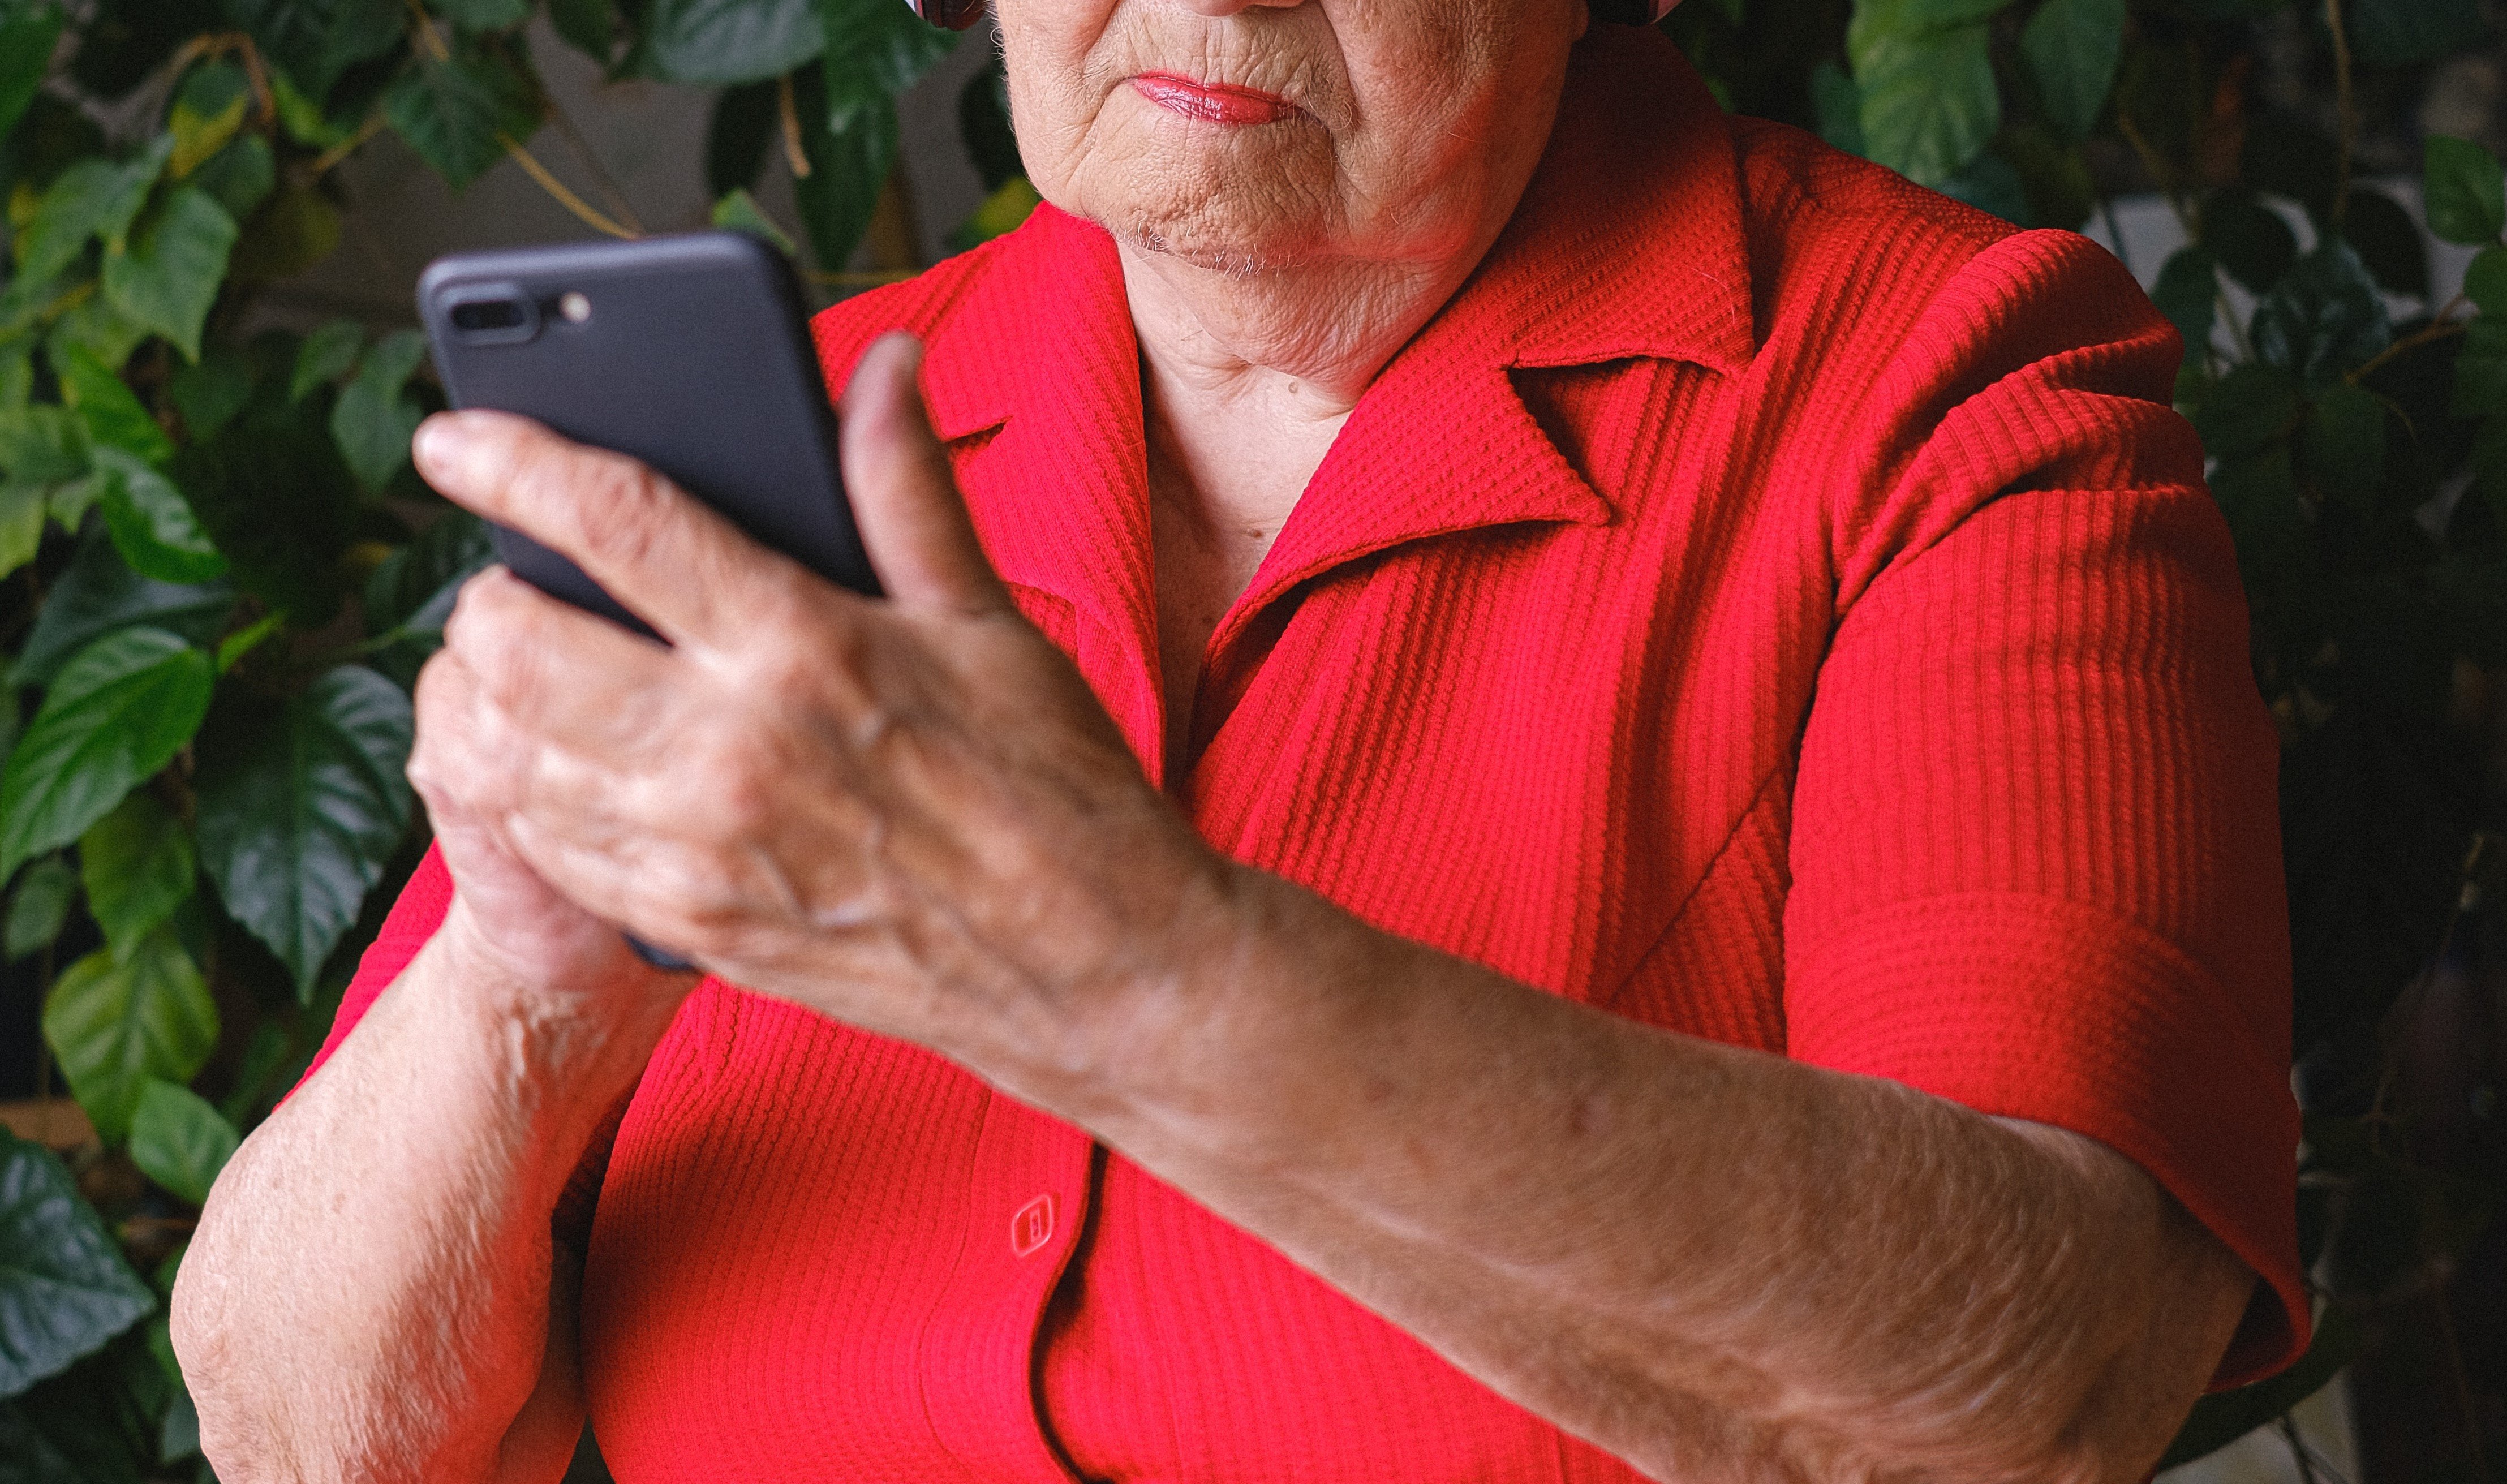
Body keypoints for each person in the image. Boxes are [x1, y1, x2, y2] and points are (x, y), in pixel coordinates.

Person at [173, 1, 2306, 1481]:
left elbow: (2048, 1388)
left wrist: (1124, 966)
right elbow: (302, 1442)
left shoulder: (1948, 401)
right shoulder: (782, 447)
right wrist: (524, 985)